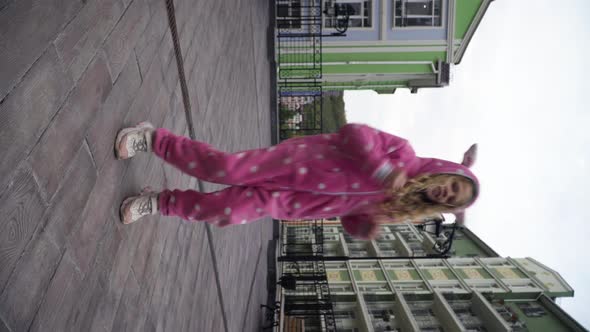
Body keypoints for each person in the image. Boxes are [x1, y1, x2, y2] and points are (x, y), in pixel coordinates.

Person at [114, 122, 479, 239]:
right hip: (291, 165)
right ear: (446, 171)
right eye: (453, 185)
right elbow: (353, 134)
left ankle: (161, 201)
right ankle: (153, 138)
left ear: (442, 206)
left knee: (225, 212)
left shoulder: (398, 207)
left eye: (451, 199)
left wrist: (367, 224)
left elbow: (347, 219)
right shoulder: (403, 155)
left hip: (290, 203)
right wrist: (382, 169)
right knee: (222, 168)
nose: (447, 192)